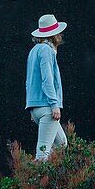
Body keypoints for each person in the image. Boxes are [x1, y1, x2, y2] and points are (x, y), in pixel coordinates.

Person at [25, 13, 67, 160]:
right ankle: (36, 181)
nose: (60, 35)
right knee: (42, 154)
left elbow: (29, 81)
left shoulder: (34, 50)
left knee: (61, 143)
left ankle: (52, 178)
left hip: (36, 108)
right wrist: (54, 104)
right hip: (47, 108)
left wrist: (31, 107)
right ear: (54, 35)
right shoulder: (46, 50)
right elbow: (47, 80)